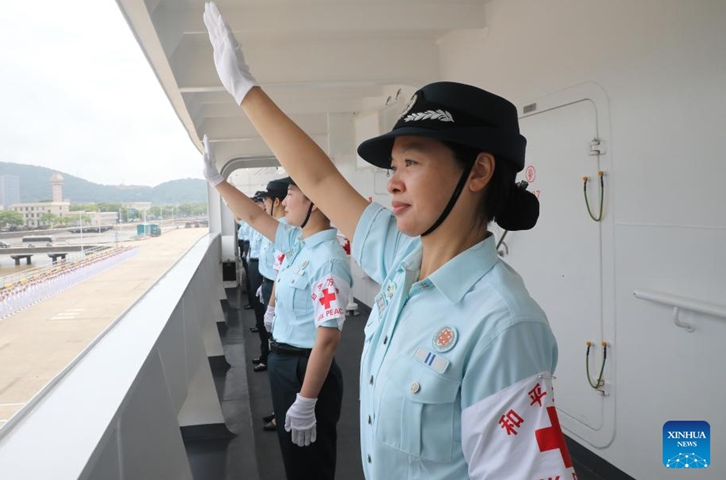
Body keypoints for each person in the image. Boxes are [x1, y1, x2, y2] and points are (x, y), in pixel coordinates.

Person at [203, 4, 577, 479]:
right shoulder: (403, 258)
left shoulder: (505, 324)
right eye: (394, 167)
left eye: (412, 163)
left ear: (478, 171)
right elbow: (318, 178)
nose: (393, 183)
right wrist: (245, 91)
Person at [200, 134, 353, 480]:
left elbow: (327, 339)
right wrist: (217, 181)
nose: (284, 203)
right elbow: (254, 217)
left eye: (292, 195)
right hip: (284, 363)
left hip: (306, 369)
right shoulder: (299, 243)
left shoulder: (327, 261)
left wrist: (307, 399)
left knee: (309, 464)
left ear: (314, 202)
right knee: (294, 459)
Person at [251, 179, 290, 372]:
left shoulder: (281, 230)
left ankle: (273, 362)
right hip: (267, 284)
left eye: (266, 201)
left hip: (275, 288)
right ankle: (269, 357)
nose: (264, 206)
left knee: (274, 331)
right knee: (269, 330)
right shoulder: (275, 226)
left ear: (276, 202)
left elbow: (281, 270)